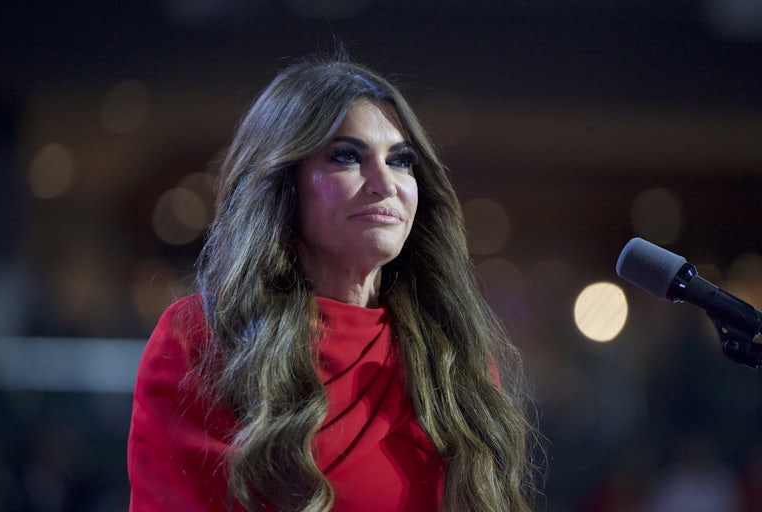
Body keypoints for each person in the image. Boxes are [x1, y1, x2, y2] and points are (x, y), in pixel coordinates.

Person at [127, 55, 537, 512]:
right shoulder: (203, 339)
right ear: (284, 183)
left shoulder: (454, 353)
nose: (385, 183)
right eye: (347, 157)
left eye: (401, 161)